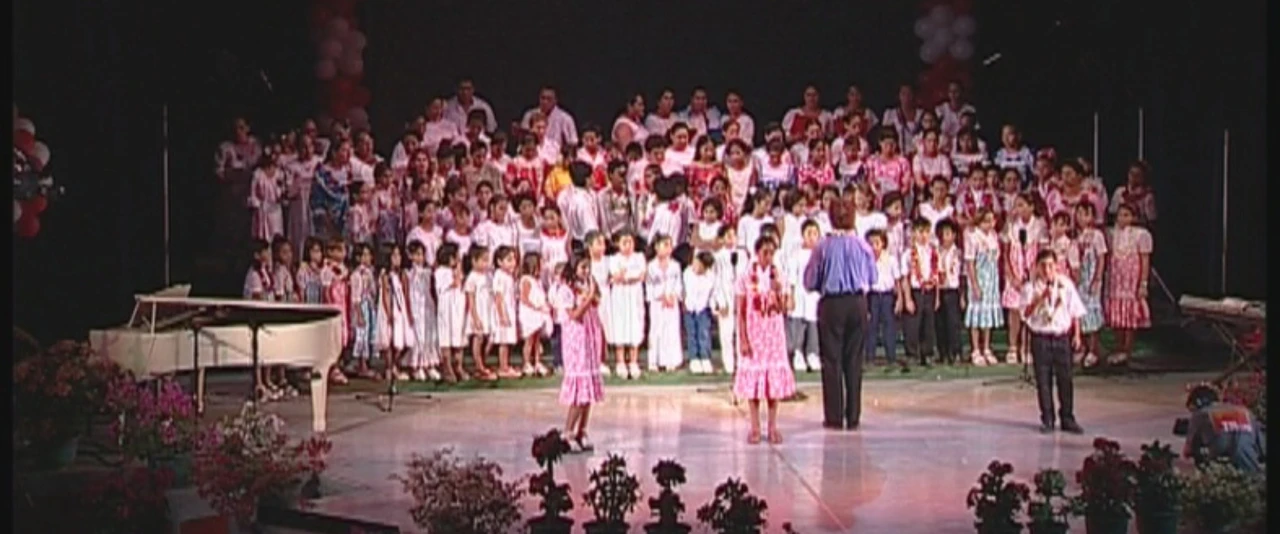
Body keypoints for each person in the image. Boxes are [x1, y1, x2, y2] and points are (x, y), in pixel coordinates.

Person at [803, 198, 877, 431]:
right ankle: (853, 417)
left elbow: (810, 281)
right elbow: (873, 278)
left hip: (832, 304)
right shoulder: (863, 246)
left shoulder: (823, 247)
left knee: (832, 361)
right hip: (857, 302)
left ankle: (834, 417)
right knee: (854, 360)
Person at [735, 236, 798, 444]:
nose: (768, 257)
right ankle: (755, 427)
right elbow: (741, 311)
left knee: (773, 384)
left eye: (772, 253)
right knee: (753, 384)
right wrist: (743, 338)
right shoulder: (745, 276)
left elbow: (786, 308)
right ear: (757, 252)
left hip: (773, 334)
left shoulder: (778, 275)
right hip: (754, 333)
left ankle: (772, 426)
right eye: (765, 253)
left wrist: (779, 290)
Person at [1020, 249, 1087, 434]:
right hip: (1041, 337)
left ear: (1056, 266)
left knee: (1066, 379)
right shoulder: (1030, 287)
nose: (1048, 269)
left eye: (1051, 265)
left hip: (1061, 337)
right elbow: (1024, 314)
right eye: (1043, 266)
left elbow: (1076, 311)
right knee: (1043, 380)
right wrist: (1039, 299)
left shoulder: (1065, 284)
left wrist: (1077, 335)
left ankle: (1068, 417)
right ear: (1037, 268)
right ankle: (1047, 418)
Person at [558, 252, 605, 453]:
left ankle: (582, 430)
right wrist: (587, 298)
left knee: (589, 392)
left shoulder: (587, 285)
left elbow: (596, 306)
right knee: (579, 391)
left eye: (588, 267)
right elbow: (575, 315)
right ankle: (567, 431)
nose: (586, 271)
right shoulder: (565, 290)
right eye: (582, 267)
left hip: (590, 339)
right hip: (576, 340)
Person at [1105, 203, 1153, 365]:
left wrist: (1143, 283)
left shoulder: (1141, 235)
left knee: (1130, 316)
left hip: (1131, 282)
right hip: (1116, 280)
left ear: (1134, 217)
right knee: (1117, 315)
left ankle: (1127, 349)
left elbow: (1145, 261)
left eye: (1126, 215)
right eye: (1120, 215)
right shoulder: (1112, 234)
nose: (1122, 219)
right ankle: (1118, 347)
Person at [1182, 384, 1265, 473]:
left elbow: (1187, 451)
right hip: (1251, 465)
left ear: (1198, 403)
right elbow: (1262, 446)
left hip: (1222, 467)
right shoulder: (1244, 411)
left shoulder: (1201, 414)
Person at [645, 234, 684, 372]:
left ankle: (671, 360)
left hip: (671, 303)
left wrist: (673, 296)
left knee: (671, 330)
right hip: (657, 303)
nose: (668, 248)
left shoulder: (676, 265)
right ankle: (653, 361)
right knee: (656, 330)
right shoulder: (650, 266)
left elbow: (679, 284)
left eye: (669, 245)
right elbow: (649, 286)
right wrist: (660, 295)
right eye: (665, 245)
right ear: (656, 247)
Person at [406, 241, 440, 381]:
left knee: (429, 335)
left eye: (422, 254)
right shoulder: (409, 273)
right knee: (418, 335)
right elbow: (408, 291)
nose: (420, 257)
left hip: (427, 305)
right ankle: (417, 366)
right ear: (410, 256)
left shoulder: (427, 272)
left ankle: (429, 364)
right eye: (417, 254)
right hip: (416, 305)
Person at [463, 245, 497, 381]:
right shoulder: (472, 277)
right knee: (478, 339)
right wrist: (475, 317)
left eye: (487, 260)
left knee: (490, 338)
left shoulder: (489, 275)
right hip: (478, 311)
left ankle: (483, 362)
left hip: (488, 310)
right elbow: (470, 299)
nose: (486, 263)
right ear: (474, 261)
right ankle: (479, 366)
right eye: (483, 260)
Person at [518, 252, 553, 377]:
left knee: (537, 340)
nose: (543, 265)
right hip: (529, 314)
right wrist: (536, 307)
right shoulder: (526, 280)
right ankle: (527, 362)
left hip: (538, 314)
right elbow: (524, 298)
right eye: (541, 263)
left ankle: (538, 362)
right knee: (529, 340)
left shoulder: (537, 280)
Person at [682, 251, 717, 374]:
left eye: (699, 266)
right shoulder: (687, 273)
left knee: (703, 333)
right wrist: (684, 303)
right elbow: (685, 290)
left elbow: (712, 294)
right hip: (690, 308)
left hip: (703, 309)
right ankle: (694, 358)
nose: (696, 267)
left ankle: (705, 357)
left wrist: (713, 308)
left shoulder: (711, 277)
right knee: (692, 334)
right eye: (695, 263)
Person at [490, 246, 520, 378]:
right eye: (509, 259)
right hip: (503, 311)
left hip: (510, 310)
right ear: (499, 262)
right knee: (503, 341)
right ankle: (503, 367)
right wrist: (502, 315)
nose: (513, 262)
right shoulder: (499, 276)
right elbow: (498, 297)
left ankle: (506, 365)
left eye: (514, 259)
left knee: (507, 340)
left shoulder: (509, 276)